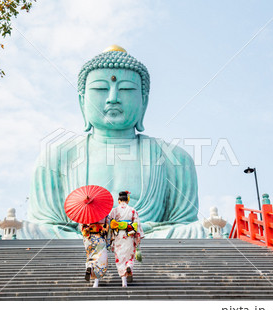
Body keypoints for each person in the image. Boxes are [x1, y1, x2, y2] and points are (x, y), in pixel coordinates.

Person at [19, 45, 207, 239]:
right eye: (100, 89)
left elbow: (184, 225)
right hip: (80, 238)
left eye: (126, 89)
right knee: (27, 231)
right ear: (82, 102)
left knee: (205, 230)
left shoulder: (175, 159)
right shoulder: (55, 157)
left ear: (144, 101)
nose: (113, 98)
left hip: (148, 239)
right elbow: (46, 225)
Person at [109, 191, 144, 287]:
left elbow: (110, 224)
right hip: (129, 235)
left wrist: (110, 238)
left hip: (118, 236)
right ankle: (129, 266)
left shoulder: (114, 210)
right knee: (130, 256)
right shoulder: (132, 210)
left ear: (119, 200)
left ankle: (124, 281)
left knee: (120, 258)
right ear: (127, 201)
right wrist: (138, 237)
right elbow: (137, 224)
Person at [80, 216, 110, 288]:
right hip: (100, 238)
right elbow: (108, 227)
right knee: (100, 260)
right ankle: (96, 282)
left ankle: (89, 265)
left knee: (90, 257)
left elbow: (82, 227)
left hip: (89, 239)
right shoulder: (104, 213)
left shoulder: (86, 213)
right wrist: (108, 242)